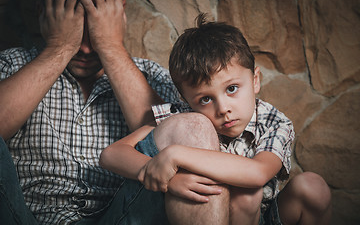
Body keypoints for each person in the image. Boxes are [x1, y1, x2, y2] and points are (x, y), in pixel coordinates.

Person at [100, 14, 332, 224]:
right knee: (245, 194)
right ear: (188, 100)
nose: (223, 109)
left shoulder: (273, 122)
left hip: (256, 217)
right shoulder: (185, 117)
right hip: (204, 214)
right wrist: (164, 178)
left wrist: (174, 155)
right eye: (205, 100)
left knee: (309, 187)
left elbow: (257, 173)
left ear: (255, 81)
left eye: (231, 88)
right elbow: (112, 154)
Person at [0, 0, 182, 224]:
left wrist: (110, 46)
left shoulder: (152, 77)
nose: (85, 48)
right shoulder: (11, 65)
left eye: (95, 29)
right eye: (75, 29)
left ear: (120, 17)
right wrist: (60, 48)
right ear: (44, 14)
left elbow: (174, 138)